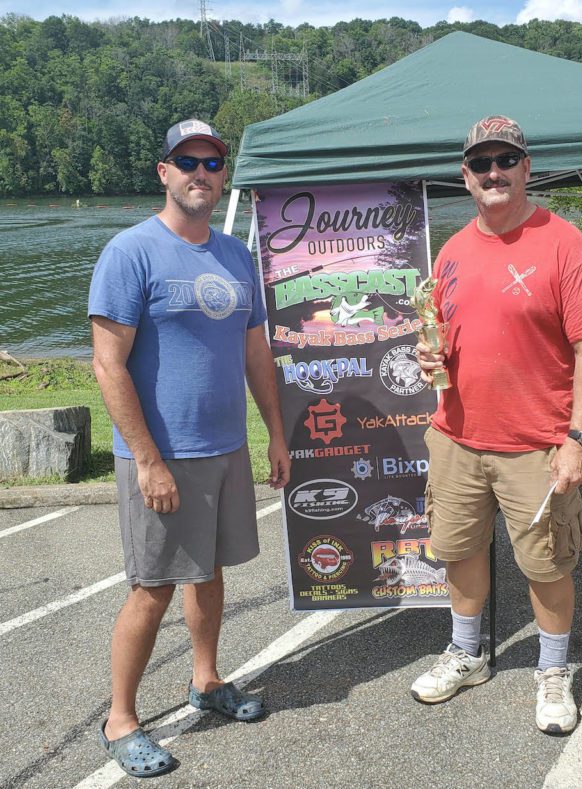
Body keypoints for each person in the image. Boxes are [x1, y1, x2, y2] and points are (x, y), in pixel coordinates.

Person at [88, 118, 290, 776]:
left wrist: (275, 433)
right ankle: (120, 719)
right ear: (164, 172)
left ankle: (206, 680)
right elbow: (108, 364)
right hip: (161, 455)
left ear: (223, 175)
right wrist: (148, 460)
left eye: (212, 162)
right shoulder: (131, 252)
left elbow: (256, 353)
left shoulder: (235, 255)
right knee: (152, 587)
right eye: (188, 161)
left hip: (225, 447)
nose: (201, 173)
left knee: (208, 572)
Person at [410, 115, 582, 734]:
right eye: (482, 163)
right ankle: (466, 653)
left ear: (527, 168)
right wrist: (429, 357)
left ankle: (553, 670)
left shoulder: (563, 241)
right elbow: (445, 337)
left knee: (548, 565)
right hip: (457, 437)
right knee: (459, 551)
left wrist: (578, 439)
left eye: (506, 161)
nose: (493, 172)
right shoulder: (452, 250)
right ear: (465, 176)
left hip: (537, 445)